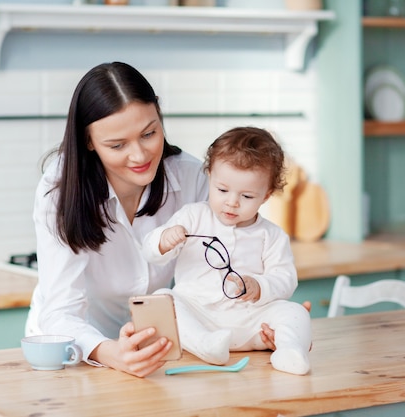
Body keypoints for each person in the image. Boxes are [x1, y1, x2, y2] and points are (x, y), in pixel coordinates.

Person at [25, 62, 286, 378]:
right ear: (89, 141)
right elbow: (60, 312)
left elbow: (228, 261)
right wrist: (111, 353)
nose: (139, 155)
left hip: (156, 351)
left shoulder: (191, 178)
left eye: (149, 133)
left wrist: (268, 312)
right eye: (117, 145)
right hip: (74, 353)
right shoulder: (59, 192)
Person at [142, 127, 312, 375]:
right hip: (198, 315)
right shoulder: (192, 216)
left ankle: (289, 351)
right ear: (210, 176)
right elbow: (150, 252)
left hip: (249, 321)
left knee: (295, 312)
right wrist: (163, 240)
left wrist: (259, 286)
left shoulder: (272, 235)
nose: (232, 202)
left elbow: (286, 278)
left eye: (246, 196)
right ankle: (206, 344)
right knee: (163, 298)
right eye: (222, 190)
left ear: (265, 196)